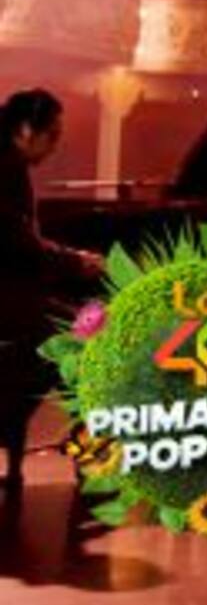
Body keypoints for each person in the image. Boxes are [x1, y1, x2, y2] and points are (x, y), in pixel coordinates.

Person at [0, 89, 102, 493]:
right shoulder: (5, 168)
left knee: (75, 327)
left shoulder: (9, 164)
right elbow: (15, 242)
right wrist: (76, 261)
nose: (56, 145)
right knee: (86, 336)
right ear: (26, 130)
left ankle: (15, 414)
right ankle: (90, 457)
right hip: (5, 297)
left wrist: (65, 259)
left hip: (11, 290)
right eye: (53, 135)